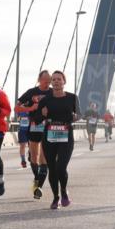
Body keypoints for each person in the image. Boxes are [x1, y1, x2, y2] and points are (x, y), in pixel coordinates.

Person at [39, 71, 79, 209]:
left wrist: (75, 116)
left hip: (66, 135)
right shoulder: (45, 100)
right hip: (49, 136)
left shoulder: (72, 98)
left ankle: (63, 191)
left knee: (61, 167)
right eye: (54, 79)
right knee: (52, 168)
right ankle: (56, 197)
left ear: (64, 81)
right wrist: (42, 114)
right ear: (51, 82)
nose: (56, 81)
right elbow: (37, 118)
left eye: (59, 79)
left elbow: (79, 114)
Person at [16, 71, 52, 199]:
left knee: (44, 158)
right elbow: (17, 108)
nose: (48, 83)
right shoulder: (31, 92)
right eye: (45, 80)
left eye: (49, 81)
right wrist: (30, 109)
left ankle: (38, 188)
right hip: (34, 127)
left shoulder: (53, 92)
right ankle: (37, 180)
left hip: (49, 127)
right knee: (34, 157)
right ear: (39, 79)